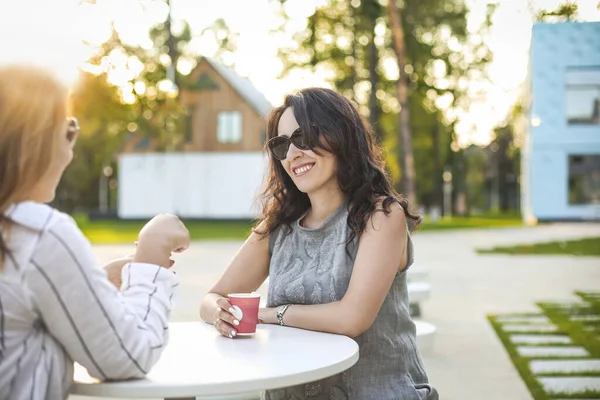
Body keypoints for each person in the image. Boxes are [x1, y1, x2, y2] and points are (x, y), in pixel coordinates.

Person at [200, 87, 438, 399]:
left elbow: (352, 318)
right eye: (281, 144)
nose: (293, 153)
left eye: (304, 137)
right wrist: (220, 312)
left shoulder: (381, 216)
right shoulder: (277, 227)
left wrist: (274, 314)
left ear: (340, 136)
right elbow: (211, 298)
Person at [0, 65, 190, 400]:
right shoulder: (41, 233)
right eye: (69, 131)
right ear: (38, 142)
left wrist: (88, 281)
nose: (70, 150)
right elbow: (129, 356)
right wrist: (151, 254)